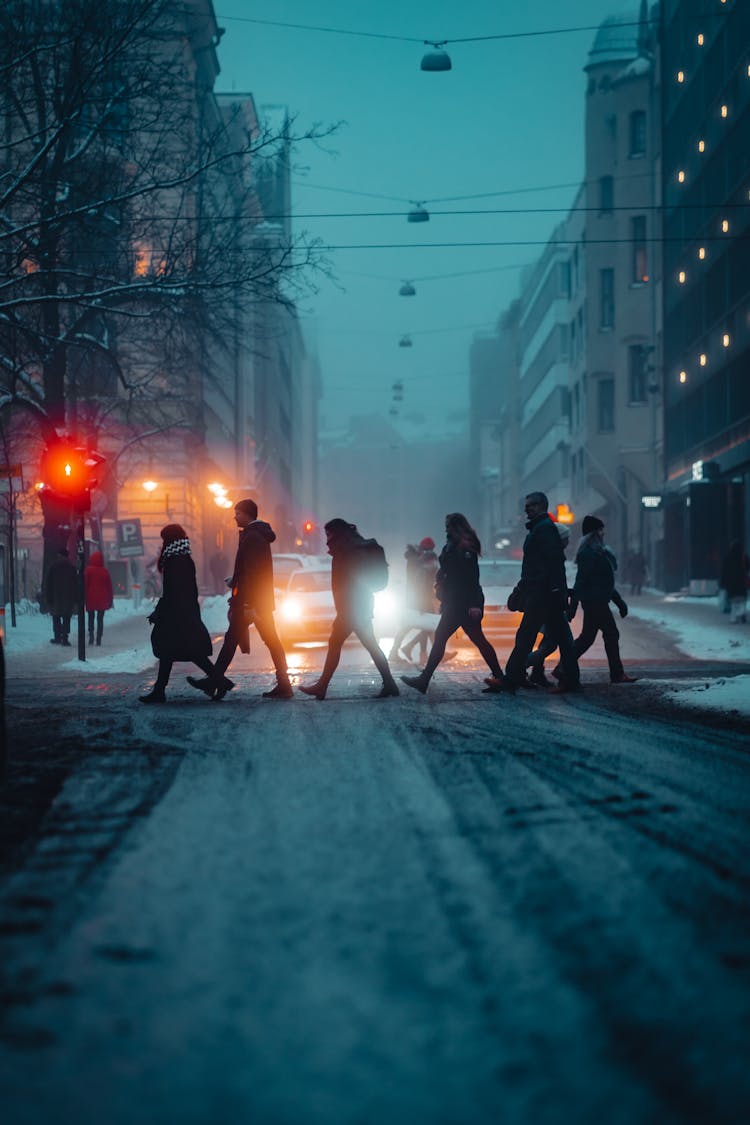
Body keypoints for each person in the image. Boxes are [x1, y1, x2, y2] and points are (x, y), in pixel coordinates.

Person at [188, 498, 293, 700]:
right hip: (256, 600)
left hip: (252, 602)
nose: (234, 516)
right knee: (259, 640)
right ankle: (283, 684)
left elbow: (254, 573)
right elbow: (249, 571)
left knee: (238, 640)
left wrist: (247, 603)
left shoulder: (253, 537)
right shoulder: (254, 535)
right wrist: (235, 581)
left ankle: (215, 681)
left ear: (247, 514)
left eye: (237, 513)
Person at [401, 513, 505, 695]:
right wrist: (441, 580)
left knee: (442, 638)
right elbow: (449, 571)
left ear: (457, 526)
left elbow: (471, 578)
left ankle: (424, 680)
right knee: (477, 640)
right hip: (455, 600)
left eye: (448, 525)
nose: (445, 528)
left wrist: (474, 604)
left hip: (463, 602)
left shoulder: (465, 548)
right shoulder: (452, 545)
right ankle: (500, 678)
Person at [300, 518, 400, 700]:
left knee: (337, 643)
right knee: (369, 645)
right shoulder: (351, 546)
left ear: (337, 533)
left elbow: (351, 580)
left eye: (329, 533)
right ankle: (390, 684)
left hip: (353, 608)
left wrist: (345, 609)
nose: (327, 538)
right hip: (357, 606)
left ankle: (322, 686)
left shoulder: (349, 550)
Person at [499, 492, 580, 694]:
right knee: (561, 639)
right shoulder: (540, 529)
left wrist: (552, 590)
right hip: (546, 594)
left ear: (543, 506)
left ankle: (511, 679)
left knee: (526, 636)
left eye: (532, 505)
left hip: (543, 595)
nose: (527, 508)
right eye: (526, 505)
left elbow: (551, 564)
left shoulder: (543, 530)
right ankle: (571, 681)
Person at [139, 524, 218, 703]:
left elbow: (172, 591)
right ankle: (159, 691)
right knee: (172, 651)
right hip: (181, 612)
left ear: (169, 540)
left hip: (178, 615)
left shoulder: (176, 561)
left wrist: (160, 611)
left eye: (164, 539)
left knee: (187, 651)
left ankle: (220, 681)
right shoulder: (182, 558)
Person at [562, 515, 637, 684]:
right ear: (595, 533)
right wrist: (572, 606)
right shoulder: (589, 554)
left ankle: (563, 667)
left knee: (587, 638)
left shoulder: (597, 552)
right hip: (595, 602)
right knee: (610, 634)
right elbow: (581, 581)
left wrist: (619, 602)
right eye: (601, 530)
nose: (604, 533)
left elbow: (605, 582)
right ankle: (617, 674)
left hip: (596, 601)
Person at [525, 521, 575, 687]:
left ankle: (535, 673)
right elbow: (553, 581)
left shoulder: (552, 554)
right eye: (566, 538)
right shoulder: (553, 555)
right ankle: (517, 668)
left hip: (549, 603)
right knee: (556, 644)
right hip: (552, 605)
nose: (568, 542)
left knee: (548, 643)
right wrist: (562, 598)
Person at [389, 537, 439, 664]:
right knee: (428, 624)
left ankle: (404, 651)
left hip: (415, 597)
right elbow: (421, 581)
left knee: (414, 625)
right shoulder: (420, 560)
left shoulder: (414, 559)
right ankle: (424, 652)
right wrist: (423, 600)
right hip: (420, 597)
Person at [44, 548, 77, 646]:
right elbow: (75, 584)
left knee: (56, 617)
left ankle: (57, 637)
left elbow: (48, 584)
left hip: (56, 598)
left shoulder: (53, 567)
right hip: (68, 598)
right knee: (66, 618)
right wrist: (75, 599)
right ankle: (65, 639)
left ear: (59, 556)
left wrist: (48, 598)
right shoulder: (71, 568)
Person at [84, 550, 113, 646]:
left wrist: (83, 597)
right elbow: (109, 587)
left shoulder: (88, 570)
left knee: (90, 617)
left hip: (90, 597)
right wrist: (110, 599)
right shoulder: (105, 571)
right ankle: (99, 638)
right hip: (102, 598)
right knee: (100, 619)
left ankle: (91, 635)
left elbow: (85, 584)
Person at [720, 540, 749, 624]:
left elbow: (724, 571)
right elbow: (747, 569)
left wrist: (723, 583)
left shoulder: (728, 557)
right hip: (742, 582)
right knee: (742, 599)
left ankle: (734, 618)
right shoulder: (744, 557)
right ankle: (741, 612)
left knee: (733, 602)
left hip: (731, 583)